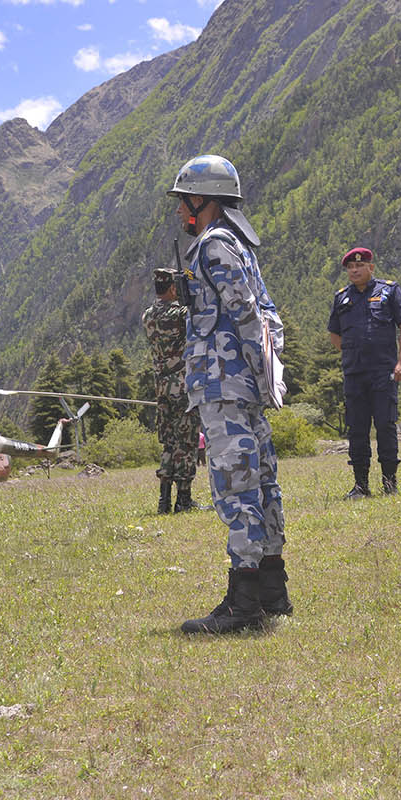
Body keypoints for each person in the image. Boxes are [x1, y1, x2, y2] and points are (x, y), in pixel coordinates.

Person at [168, 154, 290, 633]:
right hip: (244, 385)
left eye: (184, 202)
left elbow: (243, 315)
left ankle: (244, 607)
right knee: (262, 484)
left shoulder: (214, 245)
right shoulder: (240, 246)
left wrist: (256, 378)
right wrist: (265, 380)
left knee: (236, 489)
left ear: (204, 200)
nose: (180, 212)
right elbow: (267, 316)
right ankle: (272, 591)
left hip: (223, 384)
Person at [327, 247, 401, 497]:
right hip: (354, 373)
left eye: (359, 266)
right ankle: (360, 486)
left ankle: (389, 484)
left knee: (385, 425)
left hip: (383, 372)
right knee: (357, 428)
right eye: (350, 268)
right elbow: (334, 333)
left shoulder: (389, 290)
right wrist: (353, 350)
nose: (354, 270)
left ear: (370, 268)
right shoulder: (341, 297)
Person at [143, 267, 201, 513]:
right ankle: (184, 500)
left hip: (161, 387)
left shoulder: (147, 316)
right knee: (186, 443)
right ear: (172, 287)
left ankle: (164, 500)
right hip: (182, 384)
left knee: (168, 442)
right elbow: (197, 320)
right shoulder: (180, 314)